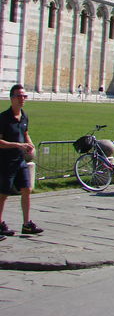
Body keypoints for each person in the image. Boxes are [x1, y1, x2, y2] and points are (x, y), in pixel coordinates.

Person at [0, 85, 43, 239]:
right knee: (3, 194)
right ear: (12, 98)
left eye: (24, 96)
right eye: (19, 96)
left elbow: (25, 133)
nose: (22, 99)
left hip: (20, 160)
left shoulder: (24, 116)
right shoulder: (3, 118)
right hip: (6, 160)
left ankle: (26, 224)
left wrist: (29, 144)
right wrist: (18, 145)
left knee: (26, 189)